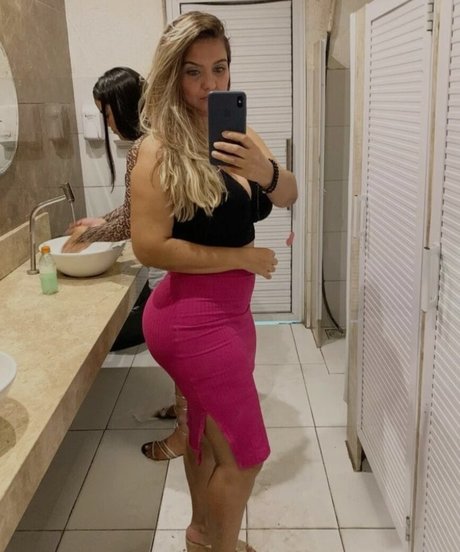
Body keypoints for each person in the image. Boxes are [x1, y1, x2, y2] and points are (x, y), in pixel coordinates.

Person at [130, 12, 297, 552]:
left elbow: (289, 194)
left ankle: (201, 534)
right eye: (193, 72)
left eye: (219, 68)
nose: (209, 85)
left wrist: (265, 171)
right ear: (172, 74)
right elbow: (150, 247)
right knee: (247, 457)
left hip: (230, 315)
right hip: (190, 318)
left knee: (201, 431)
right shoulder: (158, 149)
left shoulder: (239, 137)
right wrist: (241, 257)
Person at [63, 67, 187, 461]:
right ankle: (184, 410)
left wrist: (89, 236)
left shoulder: (144, 148)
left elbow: (133, 222)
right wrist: (99, 222)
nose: (107, 122)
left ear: (120, 105)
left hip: (175, 263)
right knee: (182, 355)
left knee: (180, 352)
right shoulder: (161, 138)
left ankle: (186, 433)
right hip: (182, 258)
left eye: (106, 112)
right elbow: (137, 210)